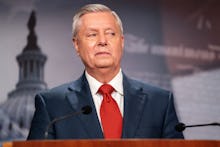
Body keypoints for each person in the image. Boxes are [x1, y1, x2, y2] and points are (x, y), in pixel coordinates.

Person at [27, 3, 184, 139]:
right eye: (92, 35)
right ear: (76, 45)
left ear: (121, 42)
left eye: (110, 34)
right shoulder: (52, 105)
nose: (102, 41)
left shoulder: (160, 102)